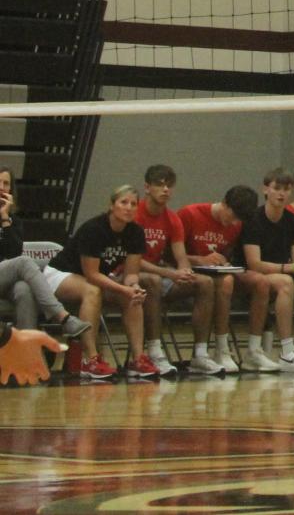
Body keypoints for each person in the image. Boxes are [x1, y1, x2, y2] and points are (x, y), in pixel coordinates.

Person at [47, 184, 150, 381]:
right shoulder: (94, 229)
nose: (128, 207)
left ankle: (138, 359)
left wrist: (133, 287)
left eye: (133, 204)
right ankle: (90, 360)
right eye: (123, 202)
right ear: (111, 205)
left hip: (96, 278)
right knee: (92, 290)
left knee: (132, 296)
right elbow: (92, 275)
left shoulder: (136, 233)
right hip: (60, 274)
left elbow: (131, 274)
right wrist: (122, 289)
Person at [238, 168, 294, 374]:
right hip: (245, 274)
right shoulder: (253, 220)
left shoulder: (292, 221)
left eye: (286, 189)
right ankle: (286, 351)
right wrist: (291, 268)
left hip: (279, 274)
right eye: (277, 188)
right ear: (265, 189)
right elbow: (254, 263)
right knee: (284, 282)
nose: (281, 194)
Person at [0, 166, 90, 348]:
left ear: (11, 190)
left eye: (6, 183)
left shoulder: (13, 220)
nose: (1, 187)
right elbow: (18, 261)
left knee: (24, 289)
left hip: (5, 277)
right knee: (25, 262)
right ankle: (62, 317)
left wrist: (4, 219)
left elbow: (13, 253)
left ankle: (26, 353)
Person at [178, 184, 259, 375]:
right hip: (185, 272)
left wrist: (223, 261)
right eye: (232, 216)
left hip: (213, 274)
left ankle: (221, 348)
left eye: (238, 220)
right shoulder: (189, 214)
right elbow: (169, 254)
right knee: (210, 283)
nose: (233, 223)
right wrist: (199, 259)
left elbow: (225, 252)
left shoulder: (235, 226)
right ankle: (201, 351)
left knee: (229, 280)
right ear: (224, 203)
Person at [132, 163, 202, 376]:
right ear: (147, 187)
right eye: (160, 185)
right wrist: (172, 274)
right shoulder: (135, 215)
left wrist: (185, 272)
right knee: (152, 281)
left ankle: (201, 354)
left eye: (169, 186)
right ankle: (154, 351)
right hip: (128, 275)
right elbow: (134, 262)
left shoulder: (172, 219)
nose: (165, 190)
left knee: (205, 283)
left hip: (159, 274)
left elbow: (180, 257)